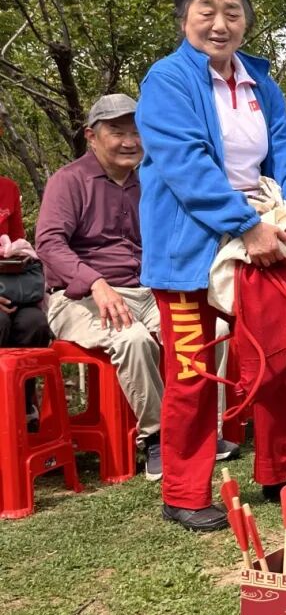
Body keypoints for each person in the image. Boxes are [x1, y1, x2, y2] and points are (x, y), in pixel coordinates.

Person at [136, 0, 286, 531]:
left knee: (275, 359)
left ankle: (282, 471)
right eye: (206, 10)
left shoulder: (262, 83)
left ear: (247, 19)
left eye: (233, 11)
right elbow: (185, 165)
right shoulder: (167, 81)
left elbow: (285, 159)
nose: (220, 23)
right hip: (190, 252)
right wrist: (244, 226)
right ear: (184, 17)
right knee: (192, 370)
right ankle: (184, 490)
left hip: (264, 239)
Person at [36, 94, 164, 480]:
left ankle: (208, 430)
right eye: (117, 131)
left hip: (147, 291)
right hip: (78, 297)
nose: (130, 141)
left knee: (212, 330)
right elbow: (49, 244)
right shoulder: (69, 180)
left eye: (137, 131)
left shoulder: (150, 182)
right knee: (133, 339)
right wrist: (95, 282)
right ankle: (157, 438)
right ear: (92, 136)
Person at [0, 175, 50, 428]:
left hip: (9, 283)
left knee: (35, 323)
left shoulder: (8, 187)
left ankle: (23, 400)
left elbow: (19, 242)